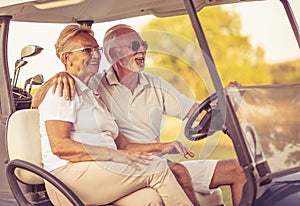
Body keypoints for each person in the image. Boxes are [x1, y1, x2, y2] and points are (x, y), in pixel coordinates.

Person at [33, 24, 246, 206]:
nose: (142, 49)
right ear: (114, 54)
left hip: (131, 163)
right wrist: (59, 75)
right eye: (135, 45)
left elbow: (197, 113)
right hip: (113, 167)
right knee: (169, 170)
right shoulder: (82, 85)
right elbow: (47, 107)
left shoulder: (95, 94)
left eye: (144, 44)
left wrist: (224, 101)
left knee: (238, 170)